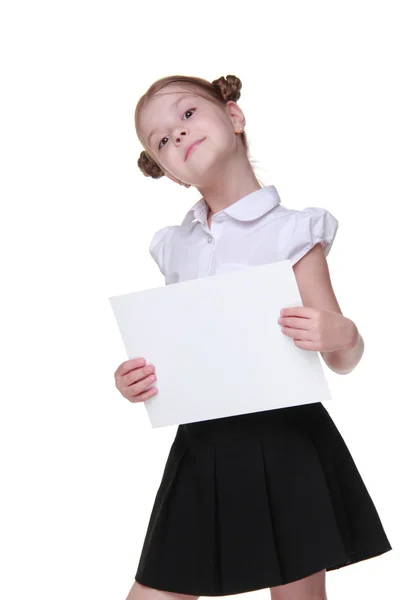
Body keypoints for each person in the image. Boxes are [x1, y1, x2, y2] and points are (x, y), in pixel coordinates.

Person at [114, 74, 392, 600]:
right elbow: (178, 352)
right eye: (162, 141)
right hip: (200, 447)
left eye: (187, 115)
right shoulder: (176, 246)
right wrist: (137, 379)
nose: (177, 135)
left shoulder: (293, 231)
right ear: (168, 172)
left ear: (234, 117)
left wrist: (344, 333)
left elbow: (341, 356)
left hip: (286, 442)